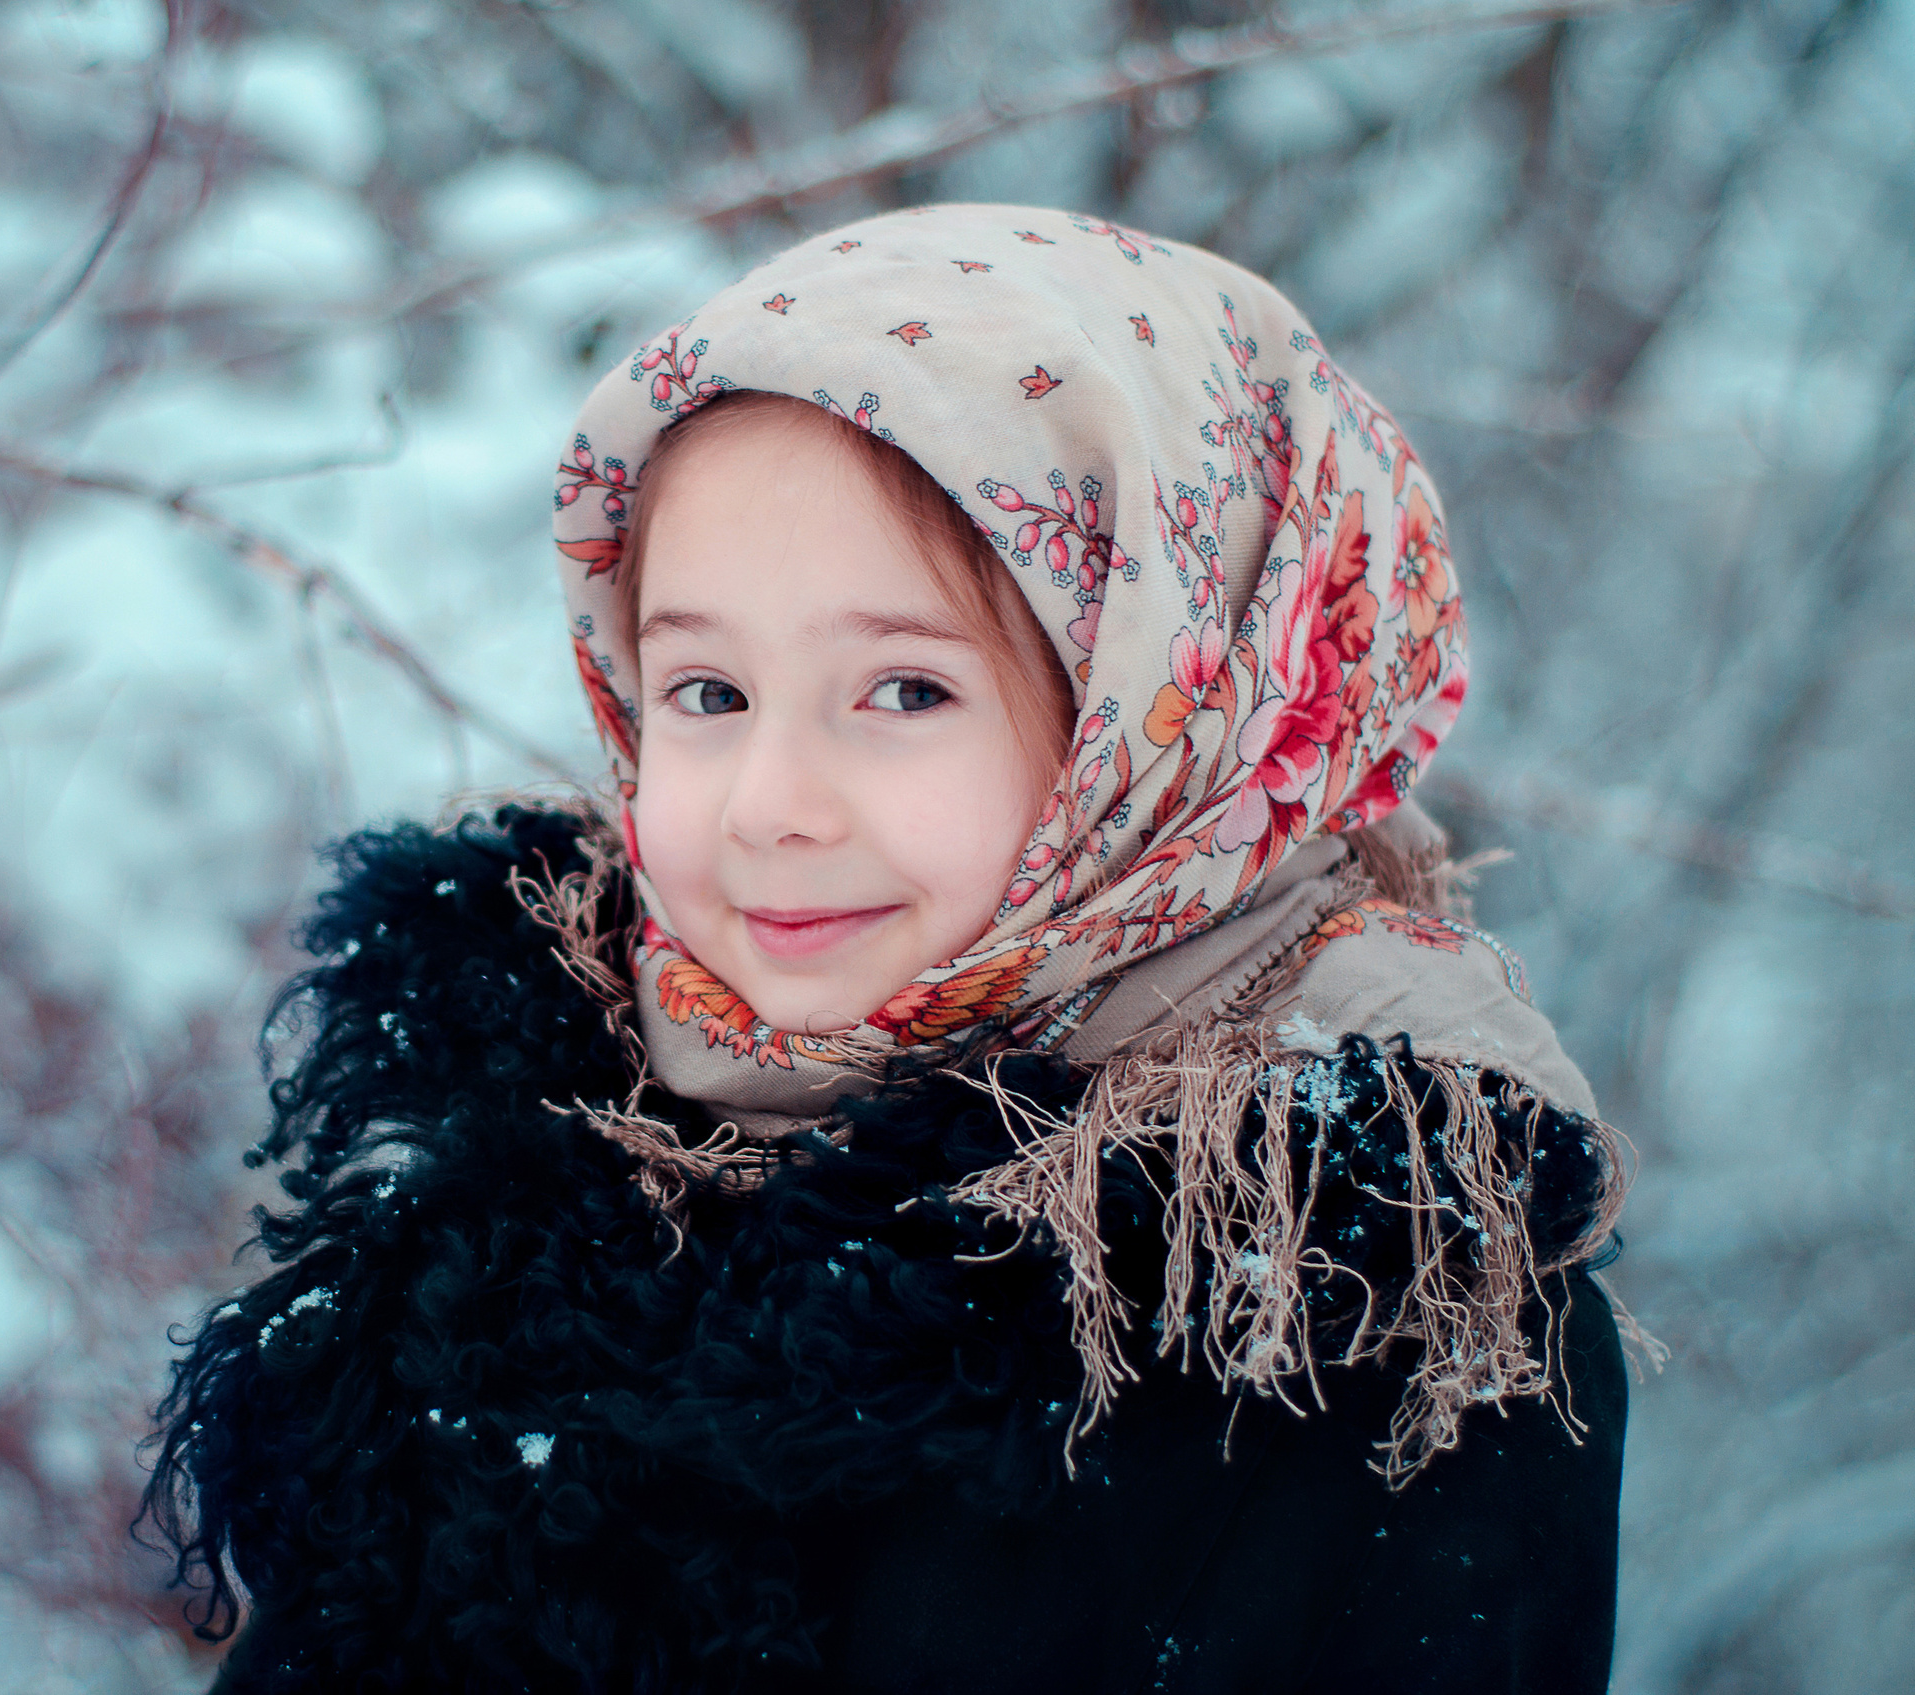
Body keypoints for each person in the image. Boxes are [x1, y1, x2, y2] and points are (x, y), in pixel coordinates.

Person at [144, 204, 1638, 1693]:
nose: (775, 810)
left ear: (1176, 708)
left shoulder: (1361, 1293)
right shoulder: (515, 1185)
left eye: (906, 691)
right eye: (710, 692)